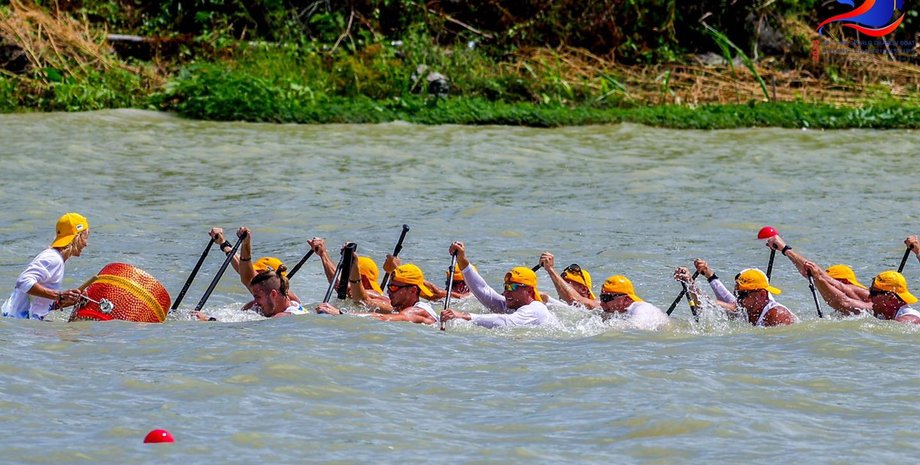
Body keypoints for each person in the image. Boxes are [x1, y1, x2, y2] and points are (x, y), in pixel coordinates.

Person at [439, 242, 559, 328]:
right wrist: (462, 259)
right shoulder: (510, 305)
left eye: (512, 287)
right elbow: (483, 290)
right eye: (506, 287)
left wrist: (464, 316)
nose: (506, 292)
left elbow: (506, 321)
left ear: (529, 291)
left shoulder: (536, 309)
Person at [2, 213, 90, 320]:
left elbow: (41, 304)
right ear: (77, 237)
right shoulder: (53, 258)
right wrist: (59, 295)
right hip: (16, 320)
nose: (86, 244)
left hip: (17, 320)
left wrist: (67, 300)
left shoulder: (56, 259)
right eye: (86, 237)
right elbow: (23, 281)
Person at [764, 235, 868, 313]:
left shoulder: (870, 304)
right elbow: (812, 273)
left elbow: (842, 301)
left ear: (844, 282)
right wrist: (784, 249)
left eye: (831, 283)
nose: (824, 287)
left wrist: (785, 249)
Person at [676, 260, 796, 326]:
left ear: (762, 295)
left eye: (742, 295)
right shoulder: (748, 306)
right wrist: (690, 283)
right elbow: (708, 303)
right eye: (737, 294)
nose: (738, 299)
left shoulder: (777, 315)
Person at [316, 264, 439, 324]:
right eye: (389, 286)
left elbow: (382, 318)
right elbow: (356, 295)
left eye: (394, 287)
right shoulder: (394, 306)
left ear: (412, 290)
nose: (389, 291)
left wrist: (340, 313)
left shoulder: (419, 311)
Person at [803, 264, 920, 324]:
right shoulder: (883, 311)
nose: (869, 296)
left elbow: (843, 302)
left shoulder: (909, 320)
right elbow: (842, 295)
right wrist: (817, 276)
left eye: (873, 292)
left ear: (889, 298)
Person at [308, 237, 392, 312]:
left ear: (363, 279)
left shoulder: (373, 294)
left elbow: (342, 287)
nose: (346, 278)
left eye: (350, 275)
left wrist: (323, 253)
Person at [597, 275, 669, 329]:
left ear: (626, 299)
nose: (601, 303)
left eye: (606, 298)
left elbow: (635, 327)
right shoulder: (619, 311)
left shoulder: (642, 309)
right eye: (601, 298)